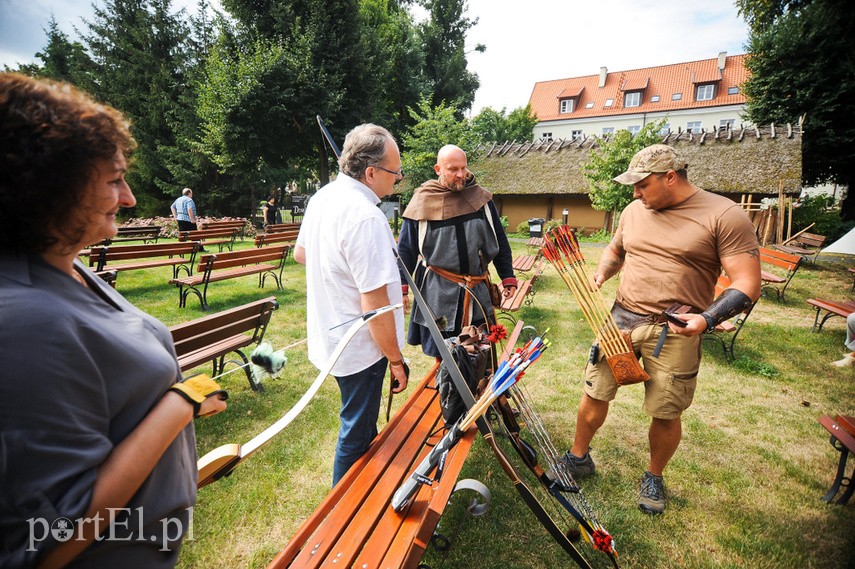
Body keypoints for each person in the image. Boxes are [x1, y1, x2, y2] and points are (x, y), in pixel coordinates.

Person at [0, 73, 227, 567]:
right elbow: (50, 540)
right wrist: (180, 402)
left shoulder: (69, 263)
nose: (128, 198)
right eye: (112, 180)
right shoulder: (21, 320)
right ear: (49, 190)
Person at [562, 144, 761, 515]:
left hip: (675, 328)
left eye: (643, 185)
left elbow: (747, 283)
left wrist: (707, 319)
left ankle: (654, 475)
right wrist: (604, 270)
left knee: (666, 409)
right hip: (621, 320)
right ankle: (578, 458)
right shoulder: (634, 210)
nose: (635, 193)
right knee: (594, 391)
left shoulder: (724, 215)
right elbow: (616, 249)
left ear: (671, 177)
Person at [294, 123, 408, 486]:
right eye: (394, 171)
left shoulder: (322, 197)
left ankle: (363, 492)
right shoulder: (366, 216)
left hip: (334, 336)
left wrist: (338, 268)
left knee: (359, 425)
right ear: (371, 172)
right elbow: (375, 305)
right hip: (361, 348)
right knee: (356, 433)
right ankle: (340, 517)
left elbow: (301, 254)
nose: (399, 178)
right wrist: (395, 359)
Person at [397, 144, 517, 358]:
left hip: (477, 289)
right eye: (453, 169)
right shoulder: (422, 203)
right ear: (438, 169)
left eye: (463, 168)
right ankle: (448, 389)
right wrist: (402, 286)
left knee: (480, 348)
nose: (461, 174)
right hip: (438, 292)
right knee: (444, 353)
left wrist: (507, 276)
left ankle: (477, 388)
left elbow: (500, 240)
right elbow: (405, 250)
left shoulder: (480, 200)